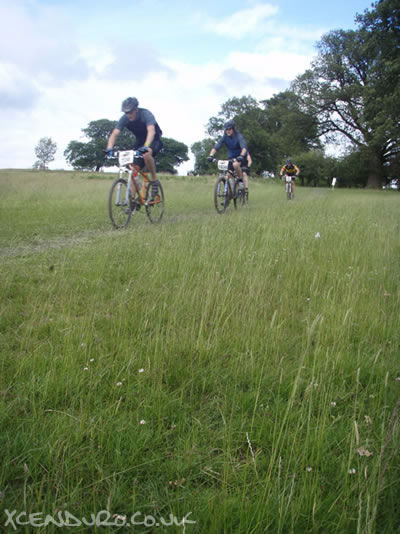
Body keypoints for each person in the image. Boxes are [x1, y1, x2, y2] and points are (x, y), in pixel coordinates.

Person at [106, 97, 163, 200]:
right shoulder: (124, 118)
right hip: (139, 142)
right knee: (132, 170)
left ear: (136, 109)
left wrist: (146, 146)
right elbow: (114, 134)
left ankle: (154, 181)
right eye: (126, 112)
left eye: (130, 112)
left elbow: (151, 131)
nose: (128, 115)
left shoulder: (146, 114)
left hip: (153, 139)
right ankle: (132, 200)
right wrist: (109, 148)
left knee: (146, 154)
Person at [207, 120, 249, 199]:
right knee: (228, 173)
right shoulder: (225, 137)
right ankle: (231, 192)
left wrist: (241, 155)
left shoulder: (239, 136)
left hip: (241, 156)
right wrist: (211, 155)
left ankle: (240, 183)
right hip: (231, 157)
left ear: (233, 129)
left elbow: (244, 148)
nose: (228, 131)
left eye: (229, 129)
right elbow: (216, 147)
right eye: (226, 129)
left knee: (236, 165)